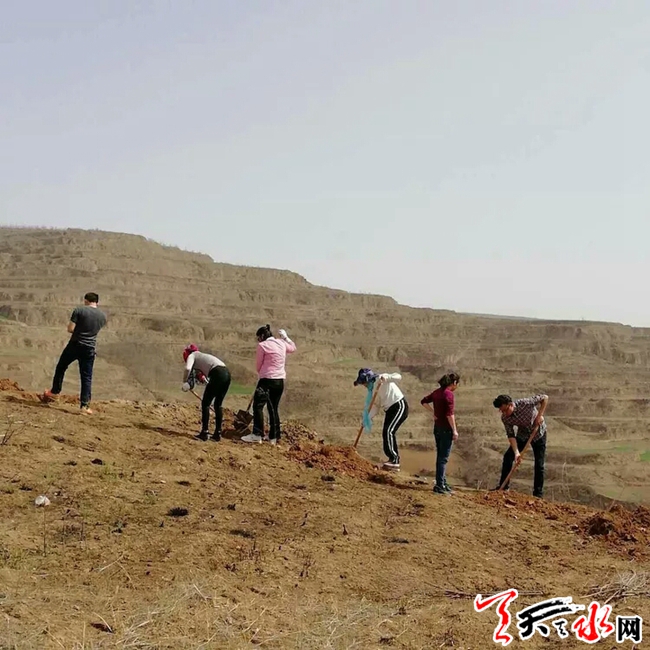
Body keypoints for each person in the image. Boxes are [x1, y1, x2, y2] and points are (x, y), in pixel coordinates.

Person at [40, 292, 107, 414]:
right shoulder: (102, 316)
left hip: (75, 345)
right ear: (97, 302)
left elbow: (70, 329)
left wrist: (79, 331)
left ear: (86, 300)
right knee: (86, 377)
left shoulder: (79, 310)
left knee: (61, 367)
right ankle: (84, 406)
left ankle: (54, 392)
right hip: (90, 348)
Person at [241, 325, 296, 444]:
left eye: (258, 338)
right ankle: (274, 437)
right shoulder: (281, 343)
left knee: (258, 406)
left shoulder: (262, 346)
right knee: (273, 408)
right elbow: (293, 348)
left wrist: (262, 374)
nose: (258, 341)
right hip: (279, 381)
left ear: (262, 336)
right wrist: (286, 338)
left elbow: (258, 365)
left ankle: (257, 434)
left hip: (266, 380)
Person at [492, 393, 549, 498]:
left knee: (539, 464)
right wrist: (516, 452)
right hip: (523, 435)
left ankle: (538, 494)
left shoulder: (525, 403)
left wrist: (539, 416)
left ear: (510, 404)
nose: (504, 413)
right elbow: (511, 435)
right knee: (508, 457)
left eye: (505, 410)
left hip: (538, 434)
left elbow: (545, 398)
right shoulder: (505, 418)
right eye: (501, 411)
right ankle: (504, 488)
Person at [354, 368, 408, 471]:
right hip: (389, 410)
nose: (364, 385)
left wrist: (387, 377)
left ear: (368, 379)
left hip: (399, 405)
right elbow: (375, 406)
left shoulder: (381, 378)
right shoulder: (373, 391)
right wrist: (367, 419)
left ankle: (394, 460)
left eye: (364, 383)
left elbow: (398, 376)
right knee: (386, 432)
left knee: (389, 431)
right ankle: (392, 460)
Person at [181, 344, 231, 441]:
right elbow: (202, 374)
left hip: (217, 373)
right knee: (218, 404)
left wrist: (185, 382)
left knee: (205, 403)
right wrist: (205, 381)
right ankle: (217, 434)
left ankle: (204, 432)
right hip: (226, 374)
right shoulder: (201, 356)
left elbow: (187, 369)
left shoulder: (192, 356)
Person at [421, 372, 460, 495]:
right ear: (454, 383)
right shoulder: (449, 394)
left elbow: (423, 401)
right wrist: (454, 430)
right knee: (443, 458)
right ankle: (440, 485)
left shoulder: (437, 392)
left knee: (440, 456)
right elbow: (449, 414)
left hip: (437, 428)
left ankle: (442, 482)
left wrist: (433, 412)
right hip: (446, 429)